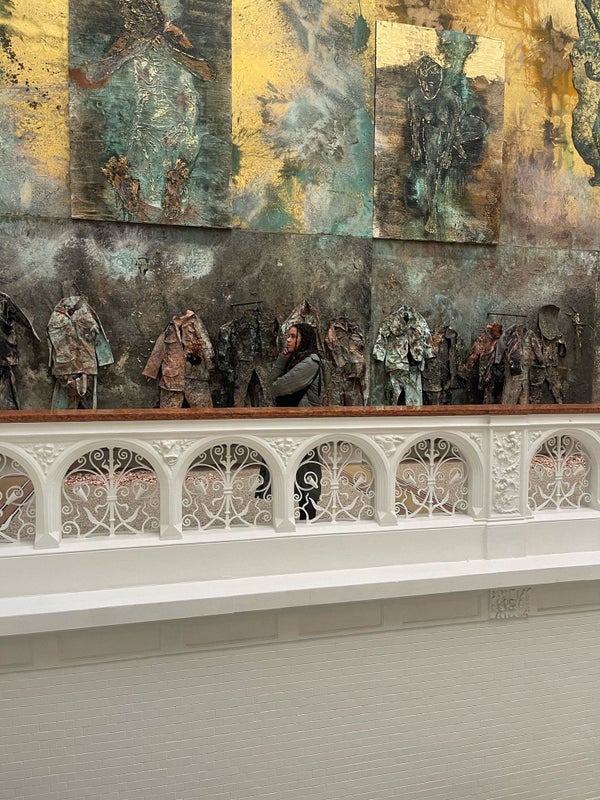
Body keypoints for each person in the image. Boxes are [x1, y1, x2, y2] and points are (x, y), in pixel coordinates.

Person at [267, 323, 324, 520]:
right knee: (287, 468)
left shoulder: (310, 363)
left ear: (304, 339)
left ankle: (307, 518)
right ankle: (286, 519)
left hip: (302, 425)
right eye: (288, 336)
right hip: (292, 423)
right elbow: (272, 383)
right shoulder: (295, 359)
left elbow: (276, 387)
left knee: (305, 470)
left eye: (293, 336)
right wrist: (283, 358)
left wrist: (283, 361)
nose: (288, 340)